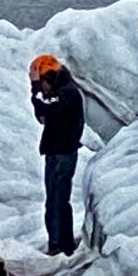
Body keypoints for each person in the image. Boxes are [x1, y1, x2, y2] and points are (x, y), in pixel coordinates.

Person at [29, 53, 84, 256]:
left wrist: (35, 88)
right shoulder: (64, 92)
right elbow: (43, 114)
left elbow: (42, 105)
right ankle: (63, 242)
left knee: (56, 202)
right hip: (58, 152)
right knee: (58, 201)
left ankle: (58, 245)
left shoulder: (66, 93)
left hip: (62, 154)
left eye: (40, 82)